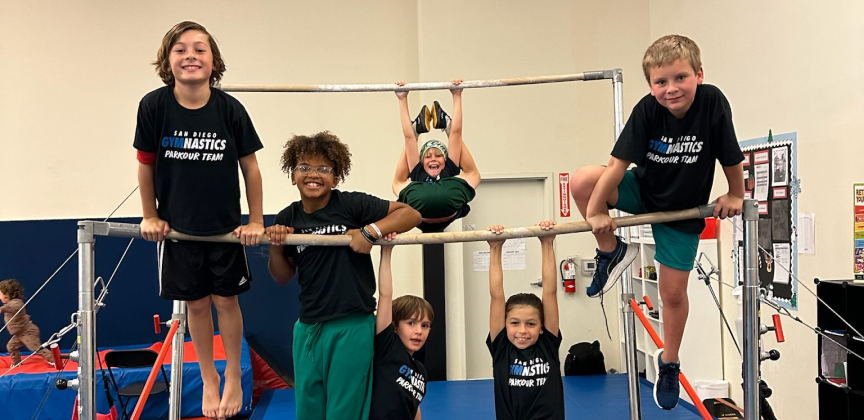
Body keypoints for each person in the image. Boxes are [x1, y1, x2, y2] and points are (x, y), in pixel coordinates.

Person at [569, 34, 745, 409]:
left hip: (682, 210)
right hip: (644, 191)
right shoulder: (647, 109)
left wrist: (736, 194)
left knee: (672, 294)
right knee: (584, 179)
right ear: (651, 85)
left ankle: (669, 361)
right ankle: (612, 252)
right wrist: (598, 212)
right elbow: (617, 166)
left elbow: (730, 153)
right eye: (660, 82)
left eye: (680, 78)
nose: (671, 89)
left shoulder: (712, 102)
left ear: (699, 74)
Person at [133, 21, 265, 419]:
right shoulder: (154, 106)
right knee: (196, 305)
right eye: (180, 49)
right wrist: (150, 215)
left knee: (227, 300)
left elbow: (251, 168)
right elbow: (145, 166)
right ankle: (208, 376)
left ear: (214, 61)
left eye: (200, 49)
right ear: (167, 60)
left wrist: (256, 220)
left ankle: (233, 376)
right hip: (178, 229)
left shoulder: (229, 109)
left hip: (225, 230)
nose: (190, 55)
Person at [265, 132, 421, 420]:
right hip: (309, 327)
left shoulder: (351, 205)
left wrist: (371, 232)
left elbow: (410, 214)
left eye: (324, 169)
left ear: (335, 178)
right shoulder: (288, 217)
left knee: (344, 411)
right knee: (309, 410)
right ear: (293, 175)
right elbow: (283, 276)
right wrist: (276, 247)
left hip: (352, 324)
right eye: (304, 167)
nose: (313, 174)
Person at [486, 222, 564, 420]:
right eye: (514, 323)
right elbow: (496, 295)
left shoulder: (548, 344)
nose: (522, 330)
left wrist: (547, 243)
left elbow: (550, 293)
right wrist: (495, 248)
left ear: (541, 327)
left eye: (531, 324)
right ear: (505, 324)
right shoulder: (501, 347)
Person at [392, 79, 481, 232]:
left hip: (438, 207)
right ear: (422, 162)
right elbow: (408, 140)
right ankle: (422, 128)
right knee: (408, 146)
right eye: (428, 156)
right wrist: (402, 98)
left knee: (472, 173)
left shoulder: (449, 169)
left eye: (438, 156)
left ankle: (432, 127)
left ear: (445, 160)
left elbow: (456, 134)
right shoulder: (418, 172)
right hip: (421, 210)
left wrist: (457, 95)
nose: (433, 158)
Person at [369, 244, 431, 420]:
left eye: (425, 325)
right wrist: (386, 252)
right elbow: (385, 296)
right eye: (411, 323)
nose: (418, 331)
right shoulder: (388, 348)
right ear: (395, 326)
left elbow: (414, 408)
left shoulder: (420, 372)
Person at [0, 279, 54, 367]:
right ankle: (16, 363)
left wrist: (2, 309)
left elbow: (15, 307)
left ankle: (54, 360)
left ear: (7, 294)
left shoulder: (17, 303)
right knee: (11, 347)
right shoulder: (9, 304)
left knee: (36, 348)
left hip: (27, 332)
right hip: (19, 333)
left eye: (0, 294)